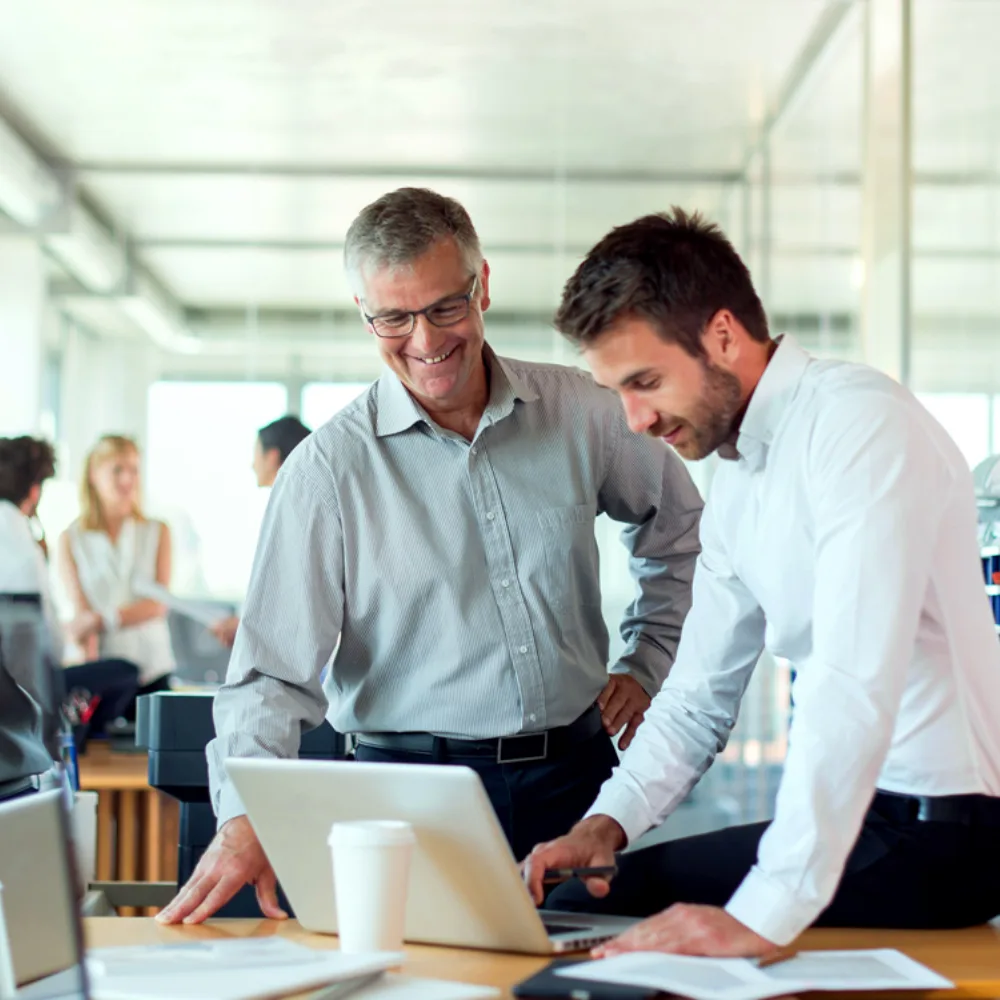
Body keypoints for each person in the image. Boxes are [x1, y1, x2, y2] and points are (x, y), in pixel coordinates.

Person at [157, 186, 704, 925]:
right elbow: (269, 678)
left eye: (445, 307)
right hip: (402, 797)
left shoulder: (586, 413)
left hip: (575, 785)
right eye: (394, 317)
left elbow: (682, 531)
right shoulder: (327, 473)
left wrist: (649, 657)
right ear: (365, 313)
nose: (424, 339)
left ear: (481, 286)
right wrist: (244, 817)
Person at [523, 208, 1000, 957]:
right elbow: (693, 700)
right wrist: (603, 824)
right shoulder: (740, 481)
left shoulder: (860, 426)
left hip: (943, 835)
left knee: (609, 927)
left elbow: (851, 679)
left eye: (645, 382)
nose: (635, 419)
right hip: (868, 821)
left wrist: (763, 914)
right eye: (616, 390)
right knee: (581, 900)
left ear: (721, 335)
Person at [0, 437, 139, 797]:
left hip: (15, 703)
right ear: (34, 491)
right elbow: (49, 643)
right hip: (23, 711)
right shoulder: (21, 539)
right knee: (124, 671)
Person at [59, 435, 174, 701]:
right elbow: (82, 613)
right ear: (93, 474)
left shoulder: (157, 531)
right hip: (106, 676)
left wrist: (103, 620)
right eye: (117, 470)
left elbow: (158, 604)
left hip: (153, 669)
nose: (127, 479)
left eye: (133, 470)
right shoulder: (71, 539)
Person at [210, 415, 312, 649]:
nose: (252, 465)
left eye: (255, 455)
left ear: (272, 457)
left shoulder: (295, 513)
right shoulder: (295, 507)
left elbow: (291, 593)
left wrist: (246, 625)